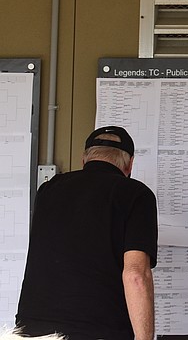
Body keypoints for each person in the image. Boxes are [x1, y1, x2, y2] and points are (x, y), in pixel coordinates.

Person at [16, 126, 157, 340]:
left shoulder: (48, 190)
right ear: (129, 164)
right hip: (99, 331)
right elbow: (136, 274)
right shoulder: (136, 195)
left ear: (84, 159)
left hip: (31, 332)